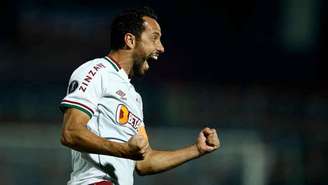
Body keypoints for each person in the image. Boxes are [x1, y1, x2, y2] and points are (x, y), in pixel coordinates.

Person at [59, 6, 220, 185]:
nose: (161, 47)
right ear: (130, 40)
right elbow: (70, 132)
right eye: (154, 38)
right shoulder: (96, 71)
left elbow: (144, 162)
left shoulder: (134, 97)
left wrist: (196, 150)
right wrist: (123, 150)